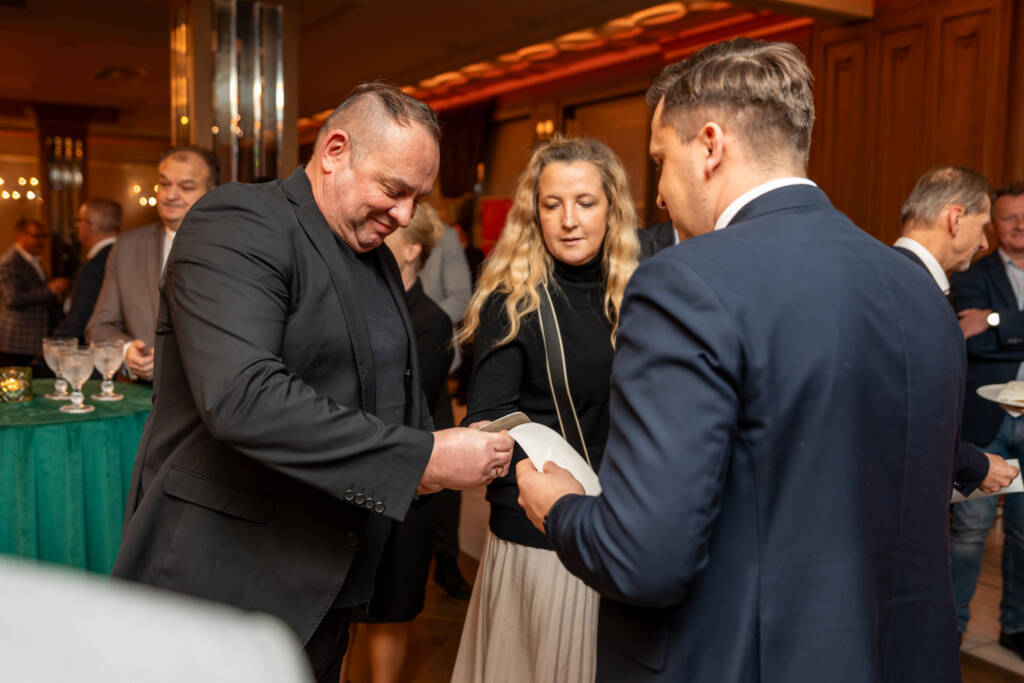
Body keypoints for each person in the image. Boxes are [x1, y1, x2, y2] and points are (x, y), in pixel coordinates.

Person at [517, 38, 965, 682]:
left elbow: (642, 558)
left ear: (710, 145)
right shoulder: (919, 291)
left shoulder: (684, 283)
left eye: (660, 161)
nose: (660, 195)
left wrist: (559, 509)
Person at [110, 83, 513, 683]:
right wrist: (421, 459)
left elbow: (378, 385)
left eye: (417, 198)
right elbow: (243, 397)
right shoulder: (240, 220)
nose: (406, 216)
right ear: (335, 151)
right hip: (223, 576)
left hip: (324, 578)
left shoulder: (372, 253)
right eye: (394, 189)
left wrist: (432, 461)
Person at [451, 135, 640, 683]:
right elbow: (489, 422)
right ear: (534, 213)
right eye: (552, 204)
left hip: (623, 529)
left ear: (612, 208)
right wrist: (554, 498)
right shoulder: (513, 300)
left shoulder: (639, 292)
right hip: (542, 534)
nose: (569, 220)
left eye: (586, 202)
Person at [342, 202, 453, 683]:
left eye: (391, 232)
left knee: (389, 610)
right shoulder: (362, 301)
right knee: (345, 611)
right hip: (356, 474)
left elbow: (400, 401)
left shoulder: (430, 320)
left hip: (407, 485)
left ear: (412, 249)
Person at [895, 167, 1019, 497]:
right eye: (983, 227)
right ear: (956, 218)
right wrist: (974, 465)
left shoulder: (898, 276)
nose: (983, 243)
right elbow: (903, 408)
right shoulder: (910, 287)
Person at [949, 181, 1024, 657]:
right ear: (992, 225)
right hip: (985, 420)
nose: (1020, 226)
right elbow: (969, 337)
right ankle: (950, 627)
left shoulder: (985, 295)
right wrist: (990, 328)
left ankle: (1016, 628)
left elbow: (987, 329)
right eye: (1009, 217)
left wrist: (996, 320)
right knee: (968, 530)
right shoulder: (972, 273)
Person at [85, 145, 219, 380]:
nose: (170, 195)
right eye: (164, 184)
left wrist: (176, 361)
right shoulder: (126, 247)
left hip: (213, 394)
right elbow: (99, 327)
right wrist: (127, 352)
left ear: (212, 192)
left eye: (186, 187)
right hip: (142, 395)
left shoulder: (235, 247)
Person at [0, 218, 69, 367]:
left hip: (35, 335)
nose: (41, 241)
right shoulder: (10, 262)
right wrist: (50, 290)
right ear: (20, 235)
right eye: (36, 236)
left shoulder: (34, 258)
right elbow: (12, 298)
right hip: (20, 339)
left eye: (44, 236)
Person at [53, 198, 121, 342]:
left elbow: (79, 321)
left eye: (79, 221)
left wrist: (52, 346)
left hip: (95, 346)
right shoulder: (129, 255)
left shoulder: (95, 265)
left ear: (88, 224)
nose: (78, 226)